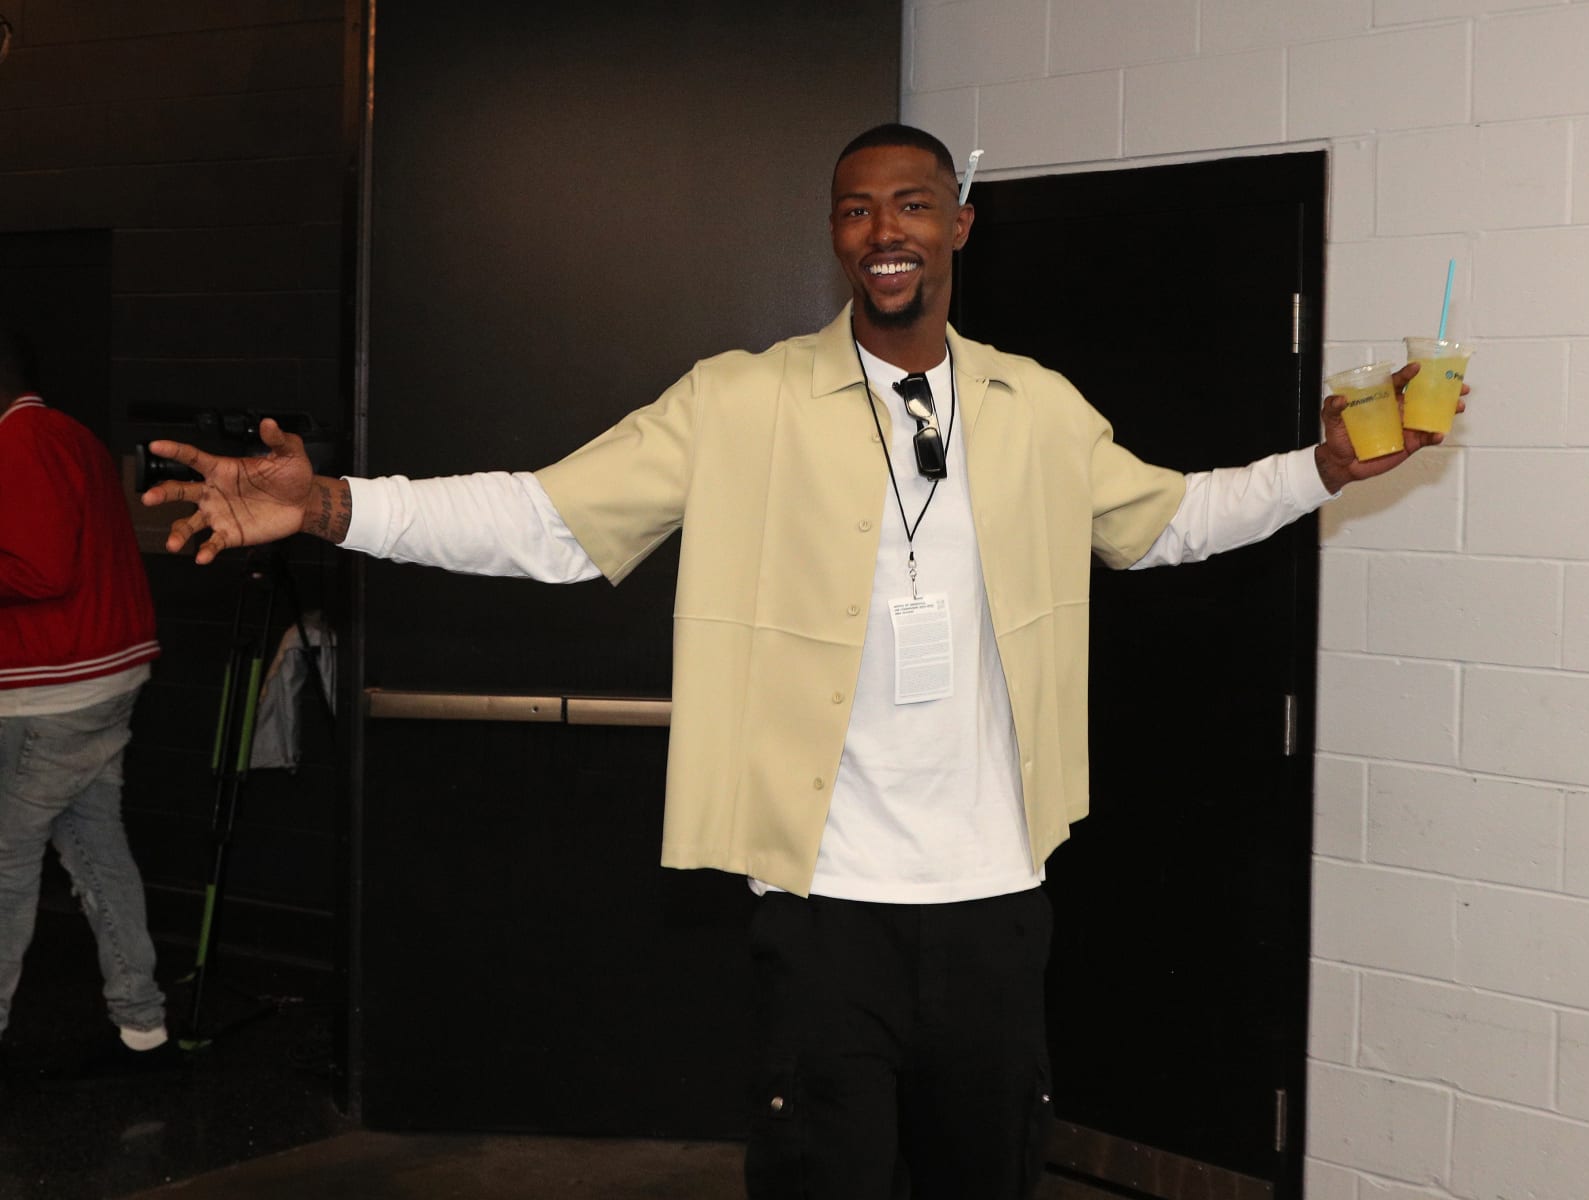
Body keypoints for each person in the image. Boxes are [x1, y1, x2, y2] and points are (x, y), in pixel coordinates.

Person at [143, 124, 1458, 1196]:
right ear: (835, 237)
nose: (883, 227)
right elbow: (547, 521)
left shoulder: (1037, 410)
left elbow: (1170, 520)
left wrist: (1320, 470)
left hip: (997, 904)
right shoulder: (739, 402)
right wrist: (332, 507)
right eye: (854, 209)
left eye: (910, 203)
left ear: (958, 226)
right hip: (824, 907)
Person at [0, 329, 178, 1082]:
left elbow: (38, 570)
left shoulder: (19, 441)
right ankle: (141, 1021)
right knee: (96, 845)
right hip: (105, 680)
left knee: (4, 862)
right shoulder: (72, 436)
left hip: (47, 693)